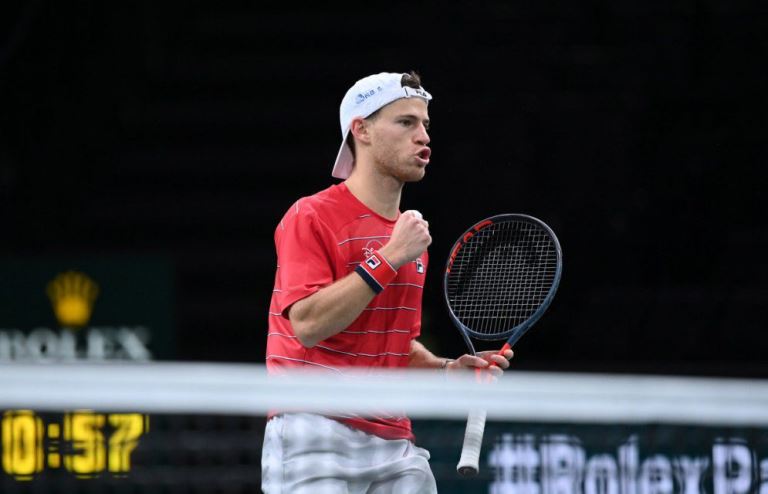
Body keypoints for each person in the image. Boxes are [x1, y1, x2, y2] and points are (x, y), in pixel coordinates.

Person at [262, 71, 514, 494]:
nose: (423, 137)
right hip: (315, 429)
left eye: (425, 125)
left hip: (394, 440)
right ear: (361, 130)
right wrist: (390, 257)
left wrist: (446, 370)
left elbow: (392, 349)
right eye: (405, 122)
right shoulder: (311, 216)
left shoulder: (410, 238)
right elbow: (306, 325)